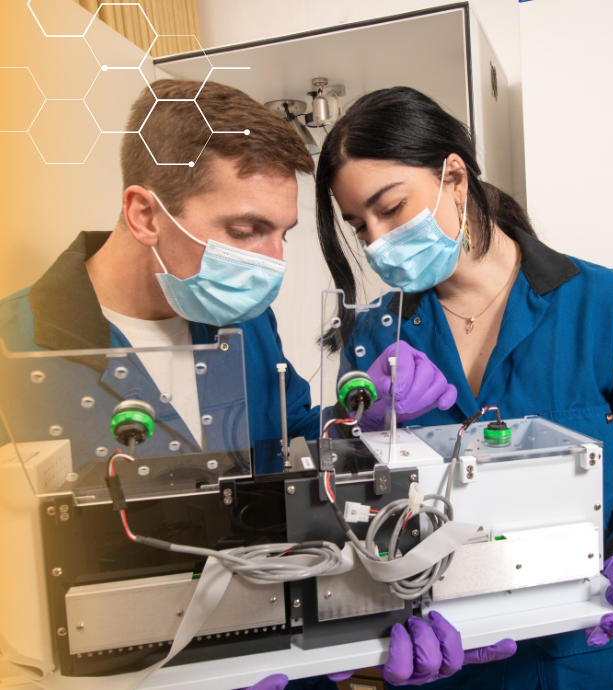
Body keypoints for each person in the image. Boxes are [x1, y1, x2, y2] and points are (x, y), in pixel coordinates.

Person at [0, 79, 468, 690]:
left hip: (276, 655)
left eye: (282, 233)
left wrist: (360, 415)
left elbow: (291, 434)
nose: (271, 262)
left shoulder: (241, 317)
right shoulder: (20, 346)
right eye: (246, 230)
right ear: (145, 214)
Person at [315, 86, 613, 689]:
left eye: (391, 208)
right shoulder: (375, 341)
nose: (377, 241)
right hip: (449, 661)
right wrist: (363, 432)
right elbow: (360, 506)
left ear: (455, 176)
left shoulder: (609, 306)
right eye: (359, 226)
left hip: (589, 653)